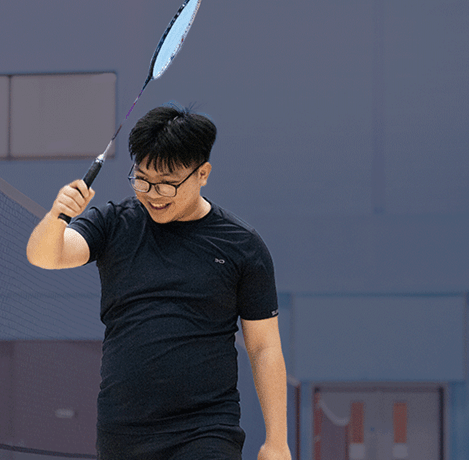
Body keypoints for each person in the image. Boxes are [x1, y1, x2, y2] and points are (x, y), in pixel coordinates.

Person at [27, 104, 291, 460]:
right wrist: (58, 215)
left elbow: (264, 347)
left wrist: (277, 442)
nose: (152, 193)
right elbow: (46, 256)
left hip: (206, 429)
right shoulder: (113, 224)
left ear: (203, 174)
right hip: (123, 430)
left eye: (167, 185)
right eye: (143, 179)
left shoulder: (242, 246)